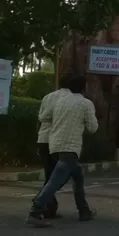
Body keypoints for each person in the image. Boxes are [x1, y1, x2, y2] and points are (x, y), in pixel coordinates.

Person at [27, 74, 98, 227]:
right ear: (83, 87)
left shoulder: (60, 101)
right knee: (55, 180)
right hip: (70, 147)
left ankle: (84, 211)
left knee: (78, 175)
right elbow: (92, 128)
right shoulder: (86, 103)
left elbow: (44, 117)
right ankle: (35, 209)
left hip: (54, 144)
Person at [34, 81, 73, 219]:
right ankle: (39, 202)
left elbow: (41, 117)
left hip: (43, 139)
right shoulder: (69, 100)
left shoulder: (48, 97)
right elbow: (44, 117)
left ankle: (48, 207)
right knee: (58, 176)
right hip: (57, 140)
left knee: (50, 175)